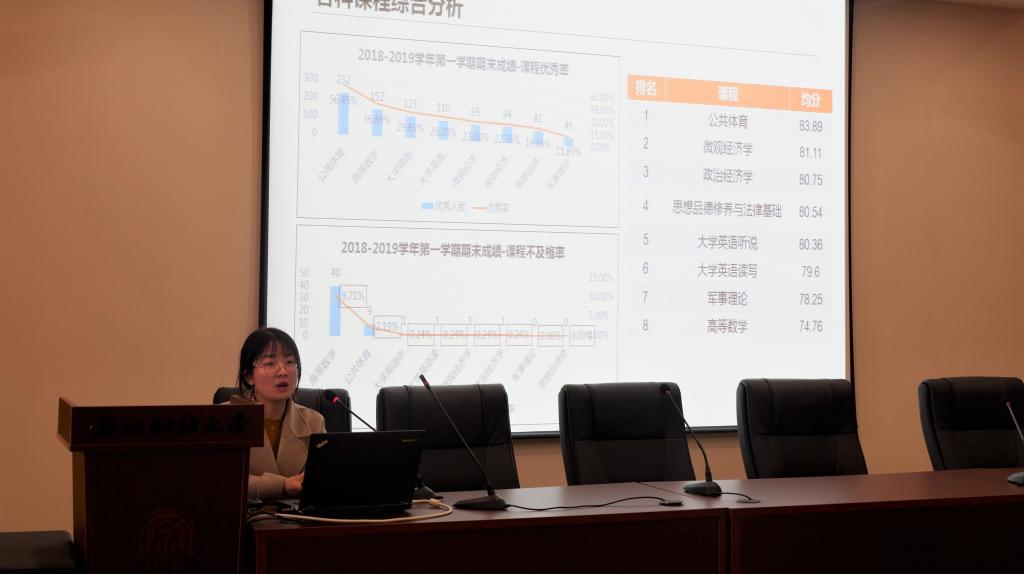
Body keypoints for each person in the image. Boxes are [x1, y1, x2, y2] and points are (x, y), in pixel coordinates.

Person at [235, 327, 325, 501]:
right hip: (242, 515)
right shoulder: (226, 418)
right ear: (248, 376)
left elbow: (322, 477)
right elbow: (223, 479)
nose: (283, 371)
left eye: (290, 362)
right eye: (270, 363)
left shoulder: (314, 421)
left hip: (296, 515)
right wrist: (282, 485)